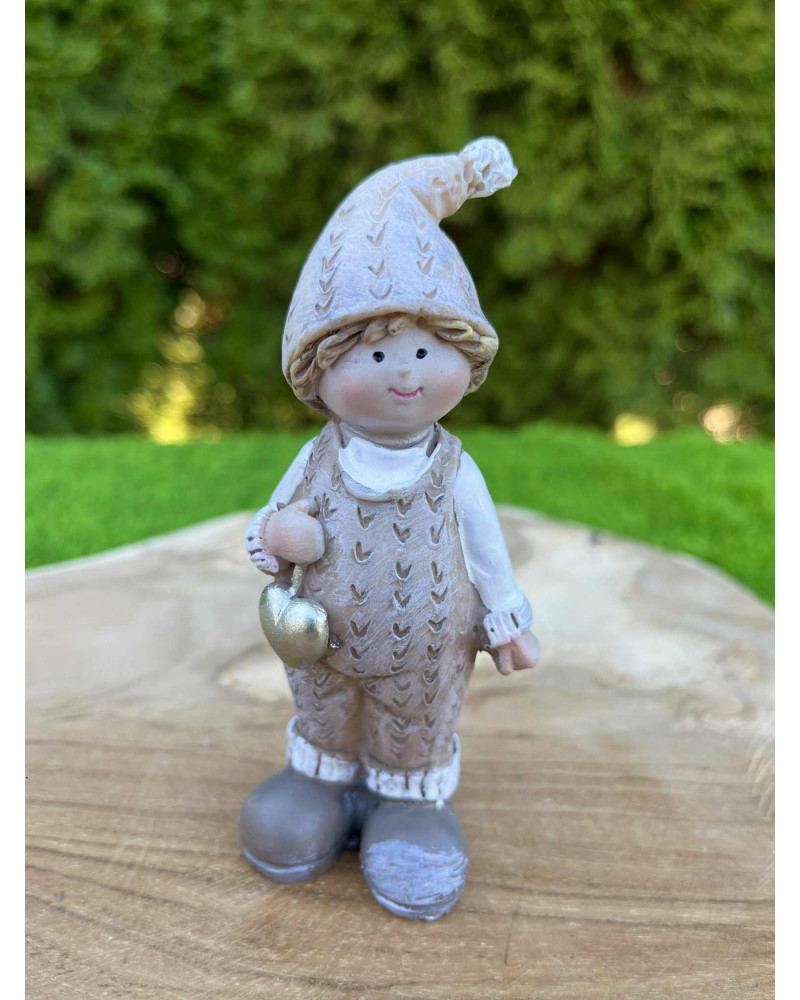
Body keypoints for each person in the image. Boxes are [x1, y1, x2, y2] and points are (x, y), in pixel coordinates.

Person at [241, 138, 538, 920]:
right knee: (323, 708)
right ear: (321, 367)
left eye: (426, 349)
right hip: (319, 647)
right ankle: (320, 780)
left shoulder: (454, 470)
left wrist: (506, 622)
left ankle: (408, 805)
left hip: (426, 655)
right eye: (375, 353)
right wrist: (280, 535)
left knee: (416, 723)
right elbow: (271, 522)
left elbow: (487, 552)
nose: (405, 372)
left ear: (465, 356)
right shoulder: (319, 457)